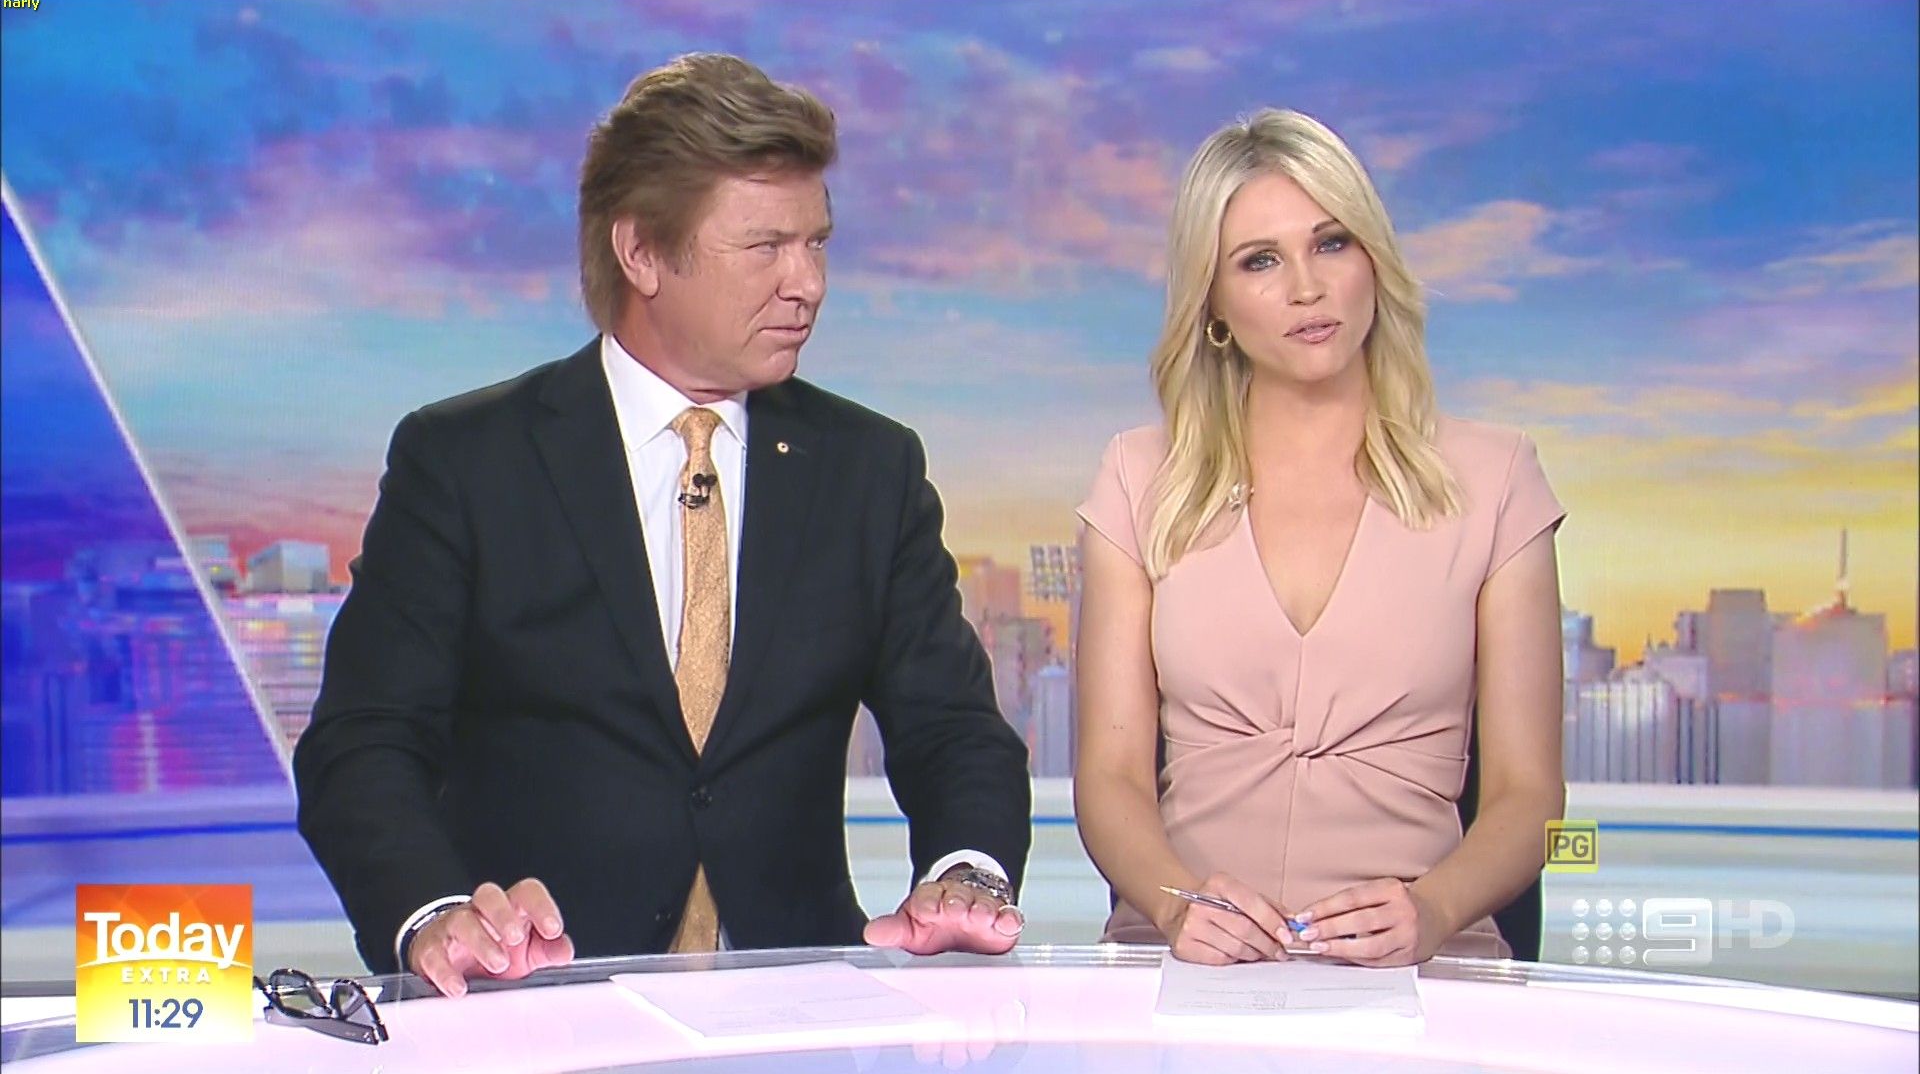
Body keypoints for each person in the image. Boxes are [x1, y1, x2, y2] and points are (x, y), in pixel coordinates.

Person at [293, 53, 1033, 996]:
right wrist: (435, 914)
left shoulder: (869, 470)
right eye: (765, 247)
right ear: (641, 251)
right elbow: (364, 741)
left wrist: (966, 874)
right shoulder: (468, 461)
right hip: (537, 1009)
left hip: (799, 1014)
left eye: (817, 243)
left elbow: (954, 730)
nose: (807, 283)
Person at [1072, 109, 1567, 967]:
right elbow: (1109, 779)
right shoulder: (1137, 479)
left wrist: (1434, 909)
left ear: (1373, 260)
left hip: (1424, 967)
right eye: (1260, 261)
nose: (1307, 287)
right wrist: (1178, 909)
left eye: (1331, 243)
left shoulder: (1497, 479)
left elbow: (1529, 797)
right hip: (1185, 959)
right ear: (1213, 302)